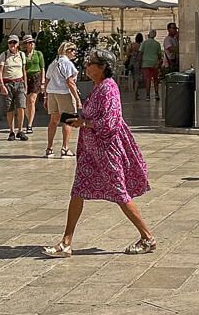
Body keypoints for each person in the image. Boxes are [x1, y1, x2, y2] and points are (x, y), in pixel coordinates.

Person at [43, 48, 155, 258]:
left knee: (120, 194)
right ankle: (66, 242)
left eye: (91, 62)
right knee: (77, 191)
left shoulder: (109, 88)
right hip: (90, 152)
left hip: (106, 151)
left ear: (102, 67)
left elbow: (111, 123)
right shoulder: (97, 87)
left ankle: (147, 237)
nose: (86, 65)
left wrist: (84, 122)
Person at [44, 42, 81, 158]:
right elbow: (70, 82)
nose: (75, 52)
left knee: (53, 121)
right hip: (64, 93)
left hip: (52, 93)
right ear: (67, 51)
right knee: (68, 120)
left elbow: (47, 80)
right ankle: (65, 148)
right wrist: (78, 99)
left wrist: (45, 96)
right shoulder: (67, 64)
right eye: (73, 50)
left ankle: (49, 148)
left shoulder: (53, 63)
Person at [0, 34, 28, 141]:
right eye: (10, 43)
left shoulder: (22, 55)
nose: (12, 45)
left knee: (21, 107)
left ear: (18, 44)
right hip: (8, 83)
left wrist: (25, 85)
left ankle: (20, 130)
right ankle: (11, 131)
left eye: (14, 42)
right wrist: (2, 85)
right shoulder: (4, 55)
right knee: (9, 108)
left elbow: (24, 71)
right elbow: (0, 72)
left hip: (19, 83)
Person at [21, 34, 45, 134]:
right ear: (26, 44)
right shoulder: (22, 55)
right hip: (26, 77)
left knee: (31, 100)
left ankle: (30, 124)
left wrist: (43, 81)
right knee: (26, 102)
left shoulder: (38, 54)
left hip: (36, 76)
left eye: (33, 42)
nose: (32, 44)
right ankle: (28, 119)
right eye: (30, 42)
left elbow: (42, 67)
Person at [140, 29, 163, 100]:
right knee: (156, 79)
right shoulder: (157, 44)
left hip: (146, 63)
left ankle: (147, 95)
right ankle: (156, 94)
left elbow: (141, 53)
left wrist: (140, 62)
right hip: (154, 64)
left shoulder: (144, 43)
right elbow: (159, 55)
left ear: (149, 35)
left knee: (148, 79)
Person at [127, 32, 144, 100]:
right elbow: (142, 55)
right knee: (137, 79)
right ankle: (135, 93)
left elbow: (127, 54)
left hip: (131, 63)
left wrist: (132, 55)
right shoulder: (141, 46)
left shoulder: (131, 45)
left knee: (133, 78)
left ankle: (135, 92)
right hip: (138, 63)